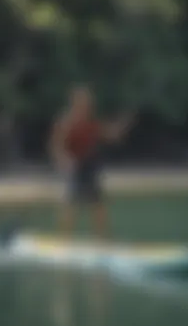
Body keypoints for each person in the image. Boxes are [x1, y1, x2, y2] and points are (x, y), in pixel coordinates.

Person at [49, 84, 134, 241]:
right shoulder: (66, 121)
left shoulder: (91, 122)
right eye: (83, 102)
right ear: (75, 103)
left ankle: (102, 241)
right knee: (71, 204)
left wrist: (123, 125)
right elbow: (56, 146)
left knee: (98, 204)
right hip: (74, 167)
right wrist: (64, 159)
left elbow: (111, 135)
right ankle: (63, 241)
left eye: (88, 103)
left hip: (90, 166)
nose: (87, 106)